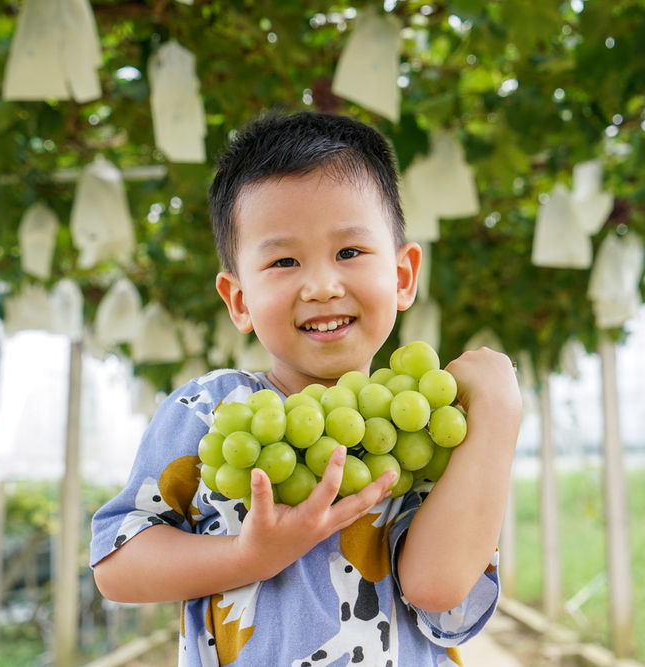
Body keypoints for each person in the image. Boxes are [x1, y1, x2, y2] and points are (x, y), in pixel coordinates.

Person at [90, 111, 522, 666]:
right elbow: (117, 567)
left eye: (349, 252)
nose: (320, 286)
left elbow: (438, 591)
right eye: (284, 260)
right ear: (239, 300)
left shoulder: (426, 430)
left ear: (404, 276)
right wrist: (250, 556)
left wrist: (499, 413)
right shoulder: (210, 412)